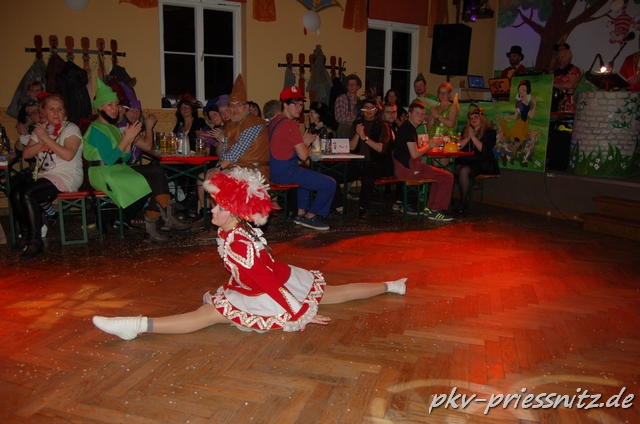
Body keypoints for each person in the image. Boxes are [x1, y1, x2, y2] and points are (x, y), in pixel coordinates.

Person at [92, 167, 408, 339]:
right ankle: (392, 285)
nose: (212, 211)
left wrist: (299, 313)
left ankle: (135, 325)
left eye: (219, 207)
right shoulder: (232, 229)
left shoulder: (238, 242)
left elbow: (265, 281)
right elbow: (251, 271)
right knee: (337, 293)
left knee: (204, 316)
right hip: (272, 279)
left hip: (271, 289)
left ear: (234, 213)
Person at [83, 79, 190, 242]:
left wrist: (128, 142)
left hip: (115, 169)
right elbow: (110, 159)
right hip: (102, 173)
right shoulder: (97, 128)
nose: (114, 109)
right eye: (109, 105)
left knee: (157, 170)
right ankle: (158, 223)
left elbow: (124, 158)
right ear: (100, 107)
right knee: (154, 181)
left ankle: (163, 218)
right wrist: (127, 139)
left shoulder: (111, 126)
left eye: (116, 104)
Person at [195, 74, 271, 240]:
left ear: (247, 106)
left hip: (255, 171)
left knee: (219, 182)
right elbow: (225, 153)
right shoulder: (230, 124)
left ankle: (226, 226)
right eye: (232, 106)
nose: (235, 109)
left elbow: (237, 150)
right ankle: (216, 222)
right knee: (208, 179)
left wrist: (218, 168)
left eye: (239, 105)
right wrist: (218, 167)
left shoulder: (254, 122)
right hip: (237, 168)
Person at [10, 92, 83, 259]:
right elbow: (26, 154)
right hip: (45, 175)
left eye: (60, 109)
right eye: (52, 109)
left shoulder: (71, 128)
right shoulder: (41, 129)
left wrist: (46, 139)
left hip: (67, 175)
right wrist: (41, 141)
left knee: (28, 193)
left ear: (64, 112)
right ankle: (26, 235)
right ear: (44, 112)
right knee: (15, 192)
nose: (56, 113)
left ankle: (36, 241)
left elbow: (68, 155)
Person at [269, 86, 335, 231]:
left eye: (301, 105)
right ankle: (311, 217)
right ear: (285, 105)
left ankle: (300, 213)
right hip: (285, 173)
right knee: (330, 183)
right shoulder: (290, 125)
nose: (299, 108)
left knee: (304, 171)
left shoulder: (275, 121)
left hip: (274, 171)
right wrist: (306, 142)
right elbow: (304, 156)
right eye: (296, 104)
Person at [391, 101, 454, 221]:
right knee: (448, 177)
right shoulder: (408, 130)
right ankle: (435, 210)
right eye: (417, 113)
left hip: (405, 168)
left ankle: (430, 208)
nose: (420, 117)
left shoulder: (407, 128)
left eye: (422, 114)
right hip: (408, 170)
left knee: (438, 177)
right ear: (409, 114)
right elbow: (414, 154)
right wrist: (430, 145)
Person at [348, 97, 390, 220]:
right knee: (335, 174)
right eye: (366, 108)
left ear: (376, 110)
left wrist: (365, 138)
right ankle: (338, 206)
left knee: (367, 179)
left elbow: (381, 148)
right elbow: (351, 147)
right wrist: (357, 134)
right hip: (356, 162)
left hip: (374, 163)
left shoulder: (382, 125)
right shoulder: (357, 124)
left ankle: (363, 208)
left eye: (371, 108)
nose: (368, 111)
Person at [455, 107, 500, 213]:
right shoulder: (466, 131)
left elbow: (484, 150)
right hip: (465, 160)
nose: (473, 119)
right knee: (449, 169)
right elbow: (458, 147)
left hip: (481, 162)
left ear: (481, 117)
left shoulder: (490, 132)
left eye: (476, 117)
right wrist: (468, 137)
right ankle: (446, 201)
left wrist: (473, 137)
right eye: (471, 118)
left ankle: (463, 202)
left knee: (464, 171)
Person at [551, 43, 581, 113]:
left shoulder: (573, 69)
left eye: (562, 57)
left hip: (566, 103)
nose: (560, 59)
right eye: (558, 57)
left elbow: (569, 85)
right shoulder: (555, 71)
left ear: (568, 57)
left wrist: (552, 84)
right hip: (554, 101)